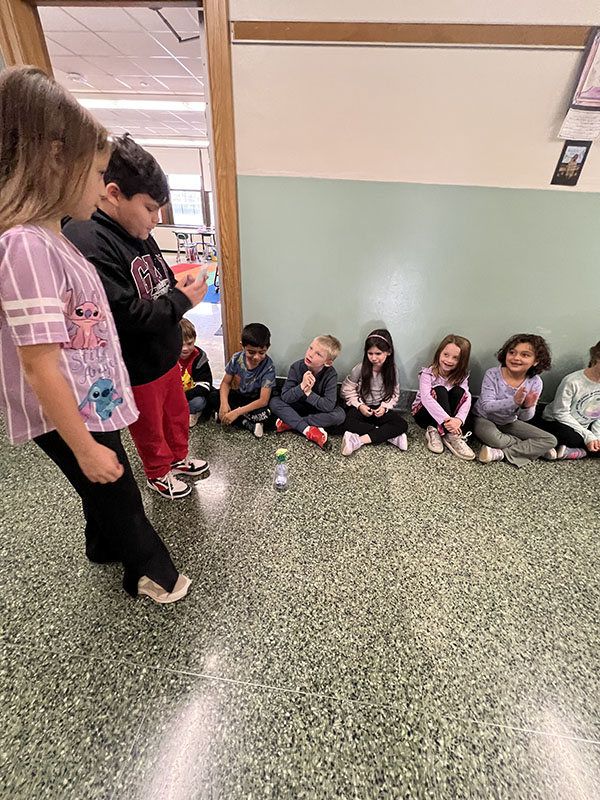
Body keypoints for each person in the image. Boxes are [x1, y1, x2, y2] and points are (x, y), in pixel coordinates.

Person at [0, 67, 189, 603]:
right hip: (69, 410)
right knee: (115, 486)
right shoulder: (25, 245)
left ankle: (101, 546)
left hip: (91, 398)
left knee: (102, 484)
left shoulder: (52, 236)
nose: (101, 188)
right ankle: (152, 572)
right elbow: (38, 364)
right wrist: (83, 447)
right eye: (96, 173)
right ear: (56, 163)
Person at [63, 134, 209, 500]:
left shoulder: (137, 228)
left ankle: (178, 459)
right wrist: (181, 301)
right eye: (149, 208)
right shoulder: (89, 239)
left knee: (175, 414)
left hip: (165, 356)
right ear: (114, 194)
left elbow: (157, 276)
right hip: (138, 368)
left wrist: (175, 286)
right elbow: (125, 314)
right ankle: (158, 473)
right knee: (150, 427)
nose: (156, 219)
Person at [473, 334, 557, 466]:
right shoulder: (492, 374)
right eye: (512, 352)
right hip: (484, 418)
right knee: (496, 440)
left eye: (525, 355)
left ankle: (501, 454)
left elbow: (525, 418)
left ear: (536, 361)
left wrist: (526, 407)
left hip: (509, 421)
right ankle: (533, 449)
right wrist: (514, 401)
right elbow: (486, 407)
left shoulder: (535, 382)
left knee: (550, 440)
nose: (516, 358)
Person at [270, 335, 345, 449]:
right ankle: (307, 429)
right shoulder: (296, 367)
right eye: (310, 348)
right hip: (296, 407)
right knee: (274, 402)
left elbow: (328, 406)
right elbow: (285, 397)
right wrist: (301, 387)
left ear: (327, 363)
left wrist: (309, 393)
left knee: (339, 415)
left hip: (316, 411)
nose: (310, 354)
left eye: (318, 354)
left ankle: (289, 423)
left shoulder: (331, 374)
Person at [339, 329, 407, 456]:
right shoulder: (360, 368)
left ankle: (358, 441)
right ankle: (389, 436)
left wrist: (384, 407)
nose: (373, 358)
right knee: (347, 422)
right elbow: (346, 389)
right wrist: (359, 405)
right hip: (362, 407)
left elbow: (394, 393)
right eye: (370, 353)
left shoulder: (393, 371)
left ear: (388, 352)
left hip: (379, 409)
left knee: (402, 424)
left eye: (378, 353)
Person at [531, 340, 600, 459]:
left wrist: (597, 437)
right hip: (558, 421)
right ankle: (578, 450)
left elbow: (598, 416)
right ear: (597, 357)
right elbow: (560, 413)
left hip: (584, 426)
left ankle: (574, 451)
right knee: (571, 438)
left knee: (593, 442)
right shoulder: (572, 381)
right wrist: (587, 435)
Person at [411, 334, 475, 460]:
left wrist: (459, 420)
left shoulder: (462, 376)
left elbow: (467, 398)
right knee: (440, 390)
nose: (449, 360)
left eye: (455, 358)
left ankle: (444, 433)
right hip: (424, 415)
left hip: (449, 419)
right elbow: (426, 399)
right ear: (439, 353)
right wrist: (447, 421)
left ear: (461, 361)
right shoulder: (427, 374)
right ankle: (445, 431)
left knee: (459, 391)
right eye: (446, 355)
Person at [218, 322, 275, 438]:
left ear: (268, 347)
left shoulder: (268, 367)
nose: (256, 357)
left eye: (261, 352)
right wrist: (224, 403)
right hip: (241, 397)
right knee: (213, 397)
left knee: (270, 413)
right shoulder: (236, 359)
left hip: (256, 402)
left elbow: (263, 400)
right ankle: (247, 422)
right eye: (251, 352)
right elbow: (225, 383)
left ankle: (239, 419)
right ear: (242, 346)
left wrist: (237, 412)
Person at [179, 318, 213, 429]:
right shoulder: (167, 357)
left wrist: (184, 396)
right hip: (173, 396)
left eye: (189, 343)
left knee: (199, 402)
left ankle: (192, 413)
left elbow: (205, 386)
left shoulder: (199, 358)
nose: (185, 349)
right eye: (180, 344)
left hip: (191, 396)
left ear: (195, 339)